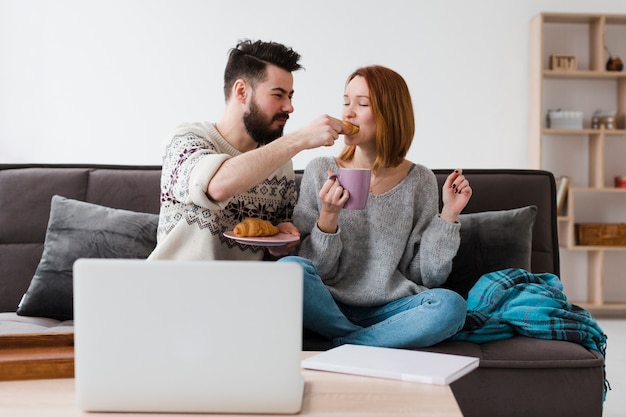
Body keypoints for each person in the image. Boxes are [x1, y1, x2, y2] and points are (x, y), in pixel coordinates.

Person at [278, 65, 472, 348]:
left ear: (389, 114)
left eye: (362, 104)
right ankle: (370, 345)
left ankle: (345, 345)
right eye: (346, 102)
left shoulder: (419, 180)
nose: (347, 114)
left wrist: (448, 215)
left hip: (391, 310)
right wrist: (329, 216)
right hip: (329, 305)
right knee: (288, 269)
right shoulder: (321, 170)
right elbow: (315, 269)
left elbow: (425, 276)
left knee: (450, 306)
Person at [148, 39, 352, 261]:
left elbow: (279, 236)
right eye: (278, 95)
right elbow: (217, 186)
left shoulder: (281, 164)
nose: (290, 107)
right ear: (242, 91)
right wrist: (300, 139)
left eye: (290, 96)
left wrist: (282, 239)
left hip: (245, 290)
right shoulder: (185, 140)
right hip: (173, 287)